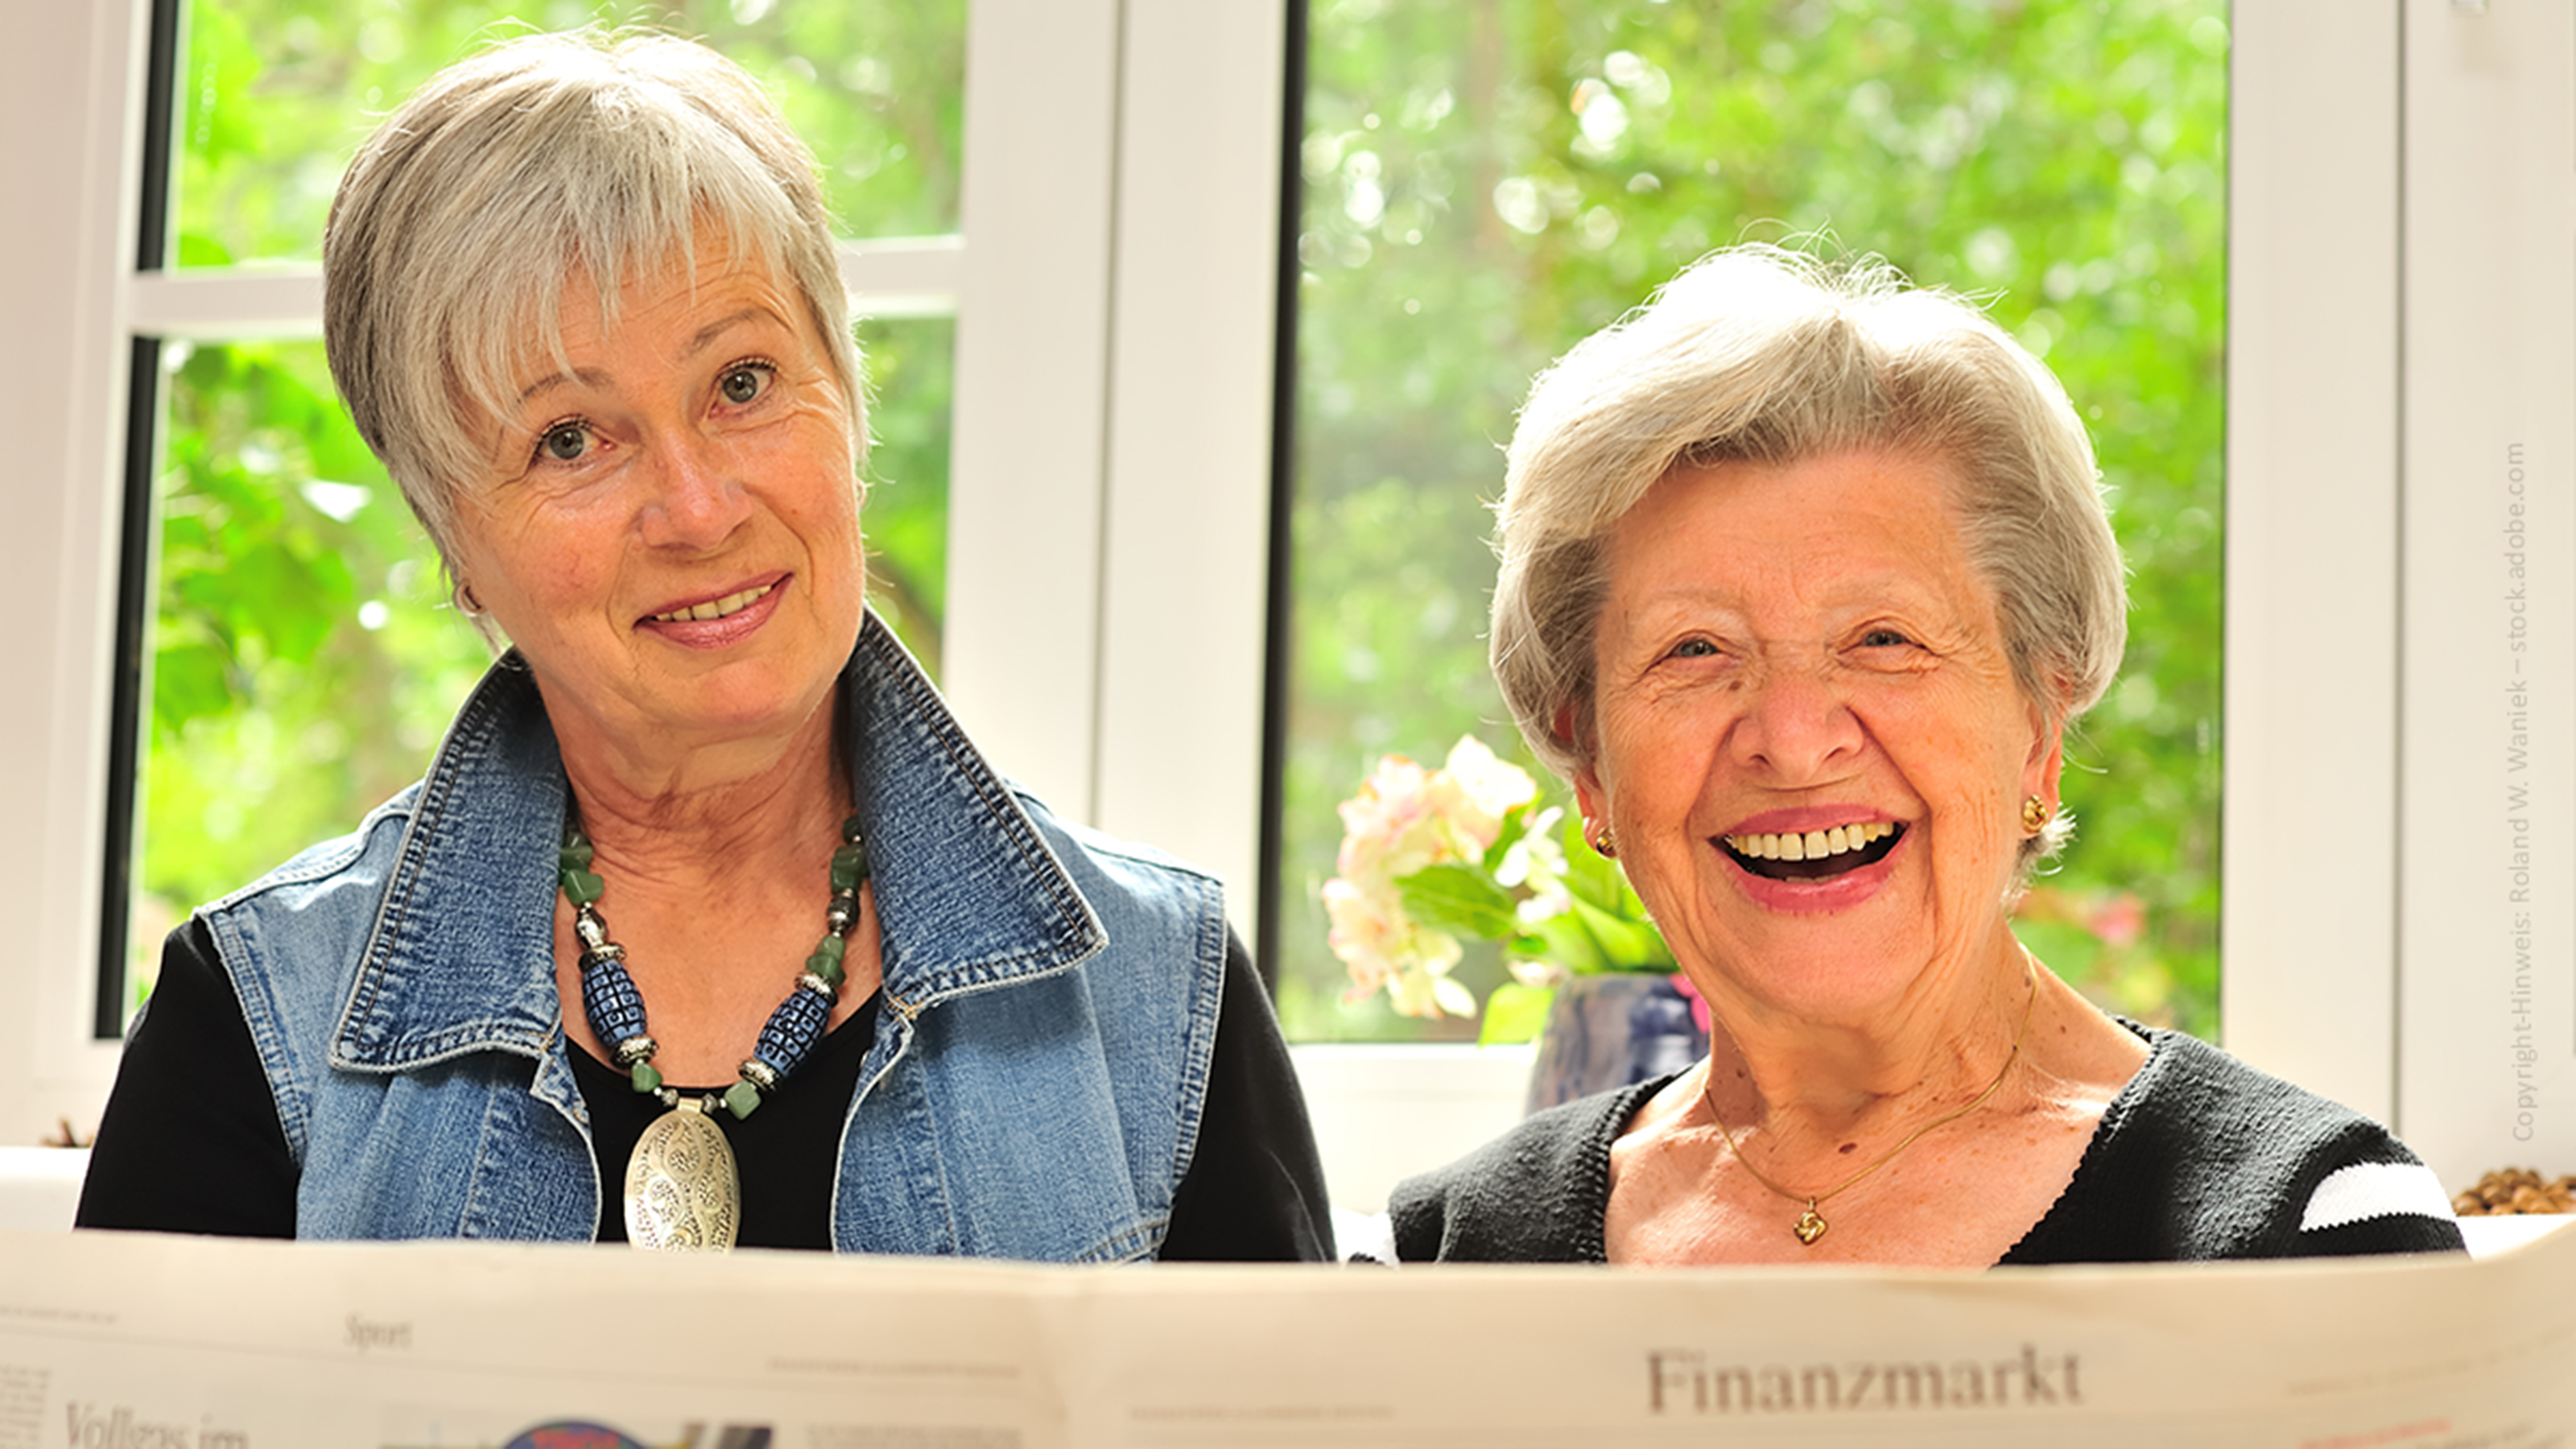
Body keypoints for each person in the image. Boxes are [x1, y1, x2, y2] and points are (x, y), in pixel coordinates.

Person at [76, 30, 1327, 1260]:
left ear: (846, 402)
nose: (699, 507)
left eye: (741, 383)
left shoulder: (1169, 995)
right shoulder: (248, 1019)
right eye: (570, 439)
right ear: (455, 541)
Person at [1387, 246, 2461, 1265]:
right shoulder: (1452, 1256)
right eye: (1697, 650)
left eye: (1884, 640)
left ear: (2040, 726)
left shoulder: (2318, 1230)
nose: (1796, 740)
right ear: (1591, 765)